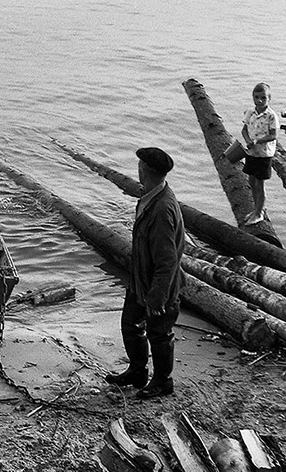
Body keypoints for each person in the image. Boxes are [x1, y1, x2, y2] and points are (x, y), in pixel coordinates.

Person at [105, 147, 186, 399]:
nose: (137, 169)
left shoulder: (162, 209)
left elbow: (168, 260)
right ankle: (137, 371)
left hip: (159, 285)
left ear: (145, 170)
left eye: (139, 166)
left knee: (159, 334)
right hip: (140, 280)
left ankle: (163, 381)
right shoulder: (150, 197)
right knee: (130, 325)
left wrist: (158, 297)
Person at [241, 82, 279, 225]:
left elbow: (273, 135)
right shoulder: (250, 113)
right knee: (251, 180)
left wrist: (258, 141)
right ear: (253, 98)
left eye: (263, 98)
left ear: (269, 98)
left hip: (264, 154)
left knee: (259, 183)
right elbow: (244, 130)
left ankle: (258, 214)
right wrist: (248, 141)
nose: (260, 100)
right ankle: (257, 209)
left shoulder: (271, 116)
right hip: (252, 153)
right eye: (257, 97)